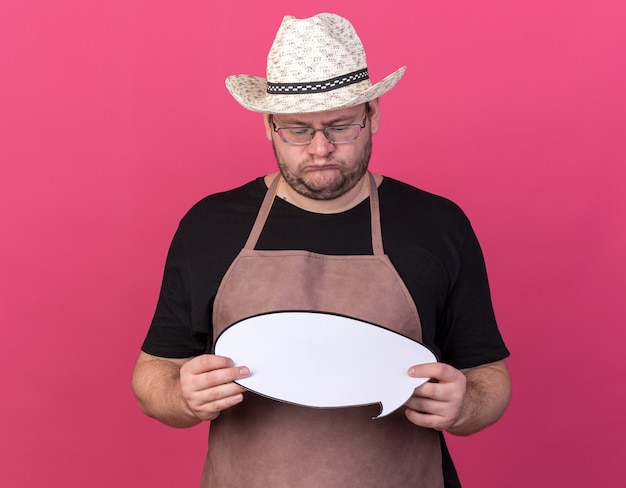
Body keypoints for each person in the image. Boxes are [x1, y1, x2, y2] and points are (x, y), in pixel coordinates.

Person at [132, 13, 511, 488]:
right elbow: (154, 373)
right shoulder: (209, 226)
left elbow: (488, 376)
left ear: (372, 116)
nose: (319, 148)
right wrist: (181, 396)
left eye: (341, 126)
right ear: (269, 126)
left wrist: (466, 404)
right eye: (296, 129)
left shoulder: (438, 225)